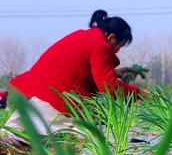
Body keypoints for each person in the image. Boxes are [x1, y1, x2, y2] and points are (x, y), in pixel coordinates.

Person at [2, 10, 144, 142]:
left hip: (33, 93)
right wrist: (141, 94)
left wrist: (116, 72)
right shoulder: (100, 46)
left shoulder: (84, 36)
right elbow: (110, 88)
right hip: (53, 103)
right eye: (120, 45)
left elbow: (80, 69)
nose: (118, 50)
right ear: (111, 37)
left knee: (14, 138)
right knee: (96, 136)